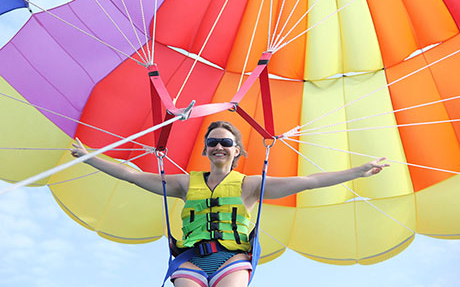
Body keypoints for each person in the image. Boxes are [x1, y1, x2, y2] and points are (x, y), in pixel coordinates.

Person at [70, 120, 389, 287]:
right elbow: (132, 175)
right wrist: (89, 158)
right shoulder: (185, 183)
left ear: (237, 151)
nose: (219, 146)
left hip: (231, 260)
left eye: (226, 143)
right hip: (190, 261)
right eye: (213, 143)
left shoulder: (249, 185)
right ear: (205, 151)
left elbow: (308, 182)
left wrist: (358, 172)